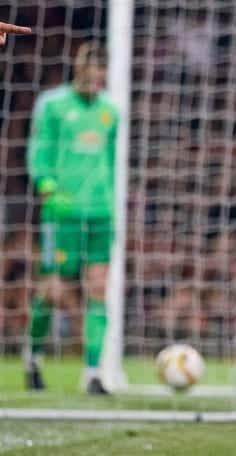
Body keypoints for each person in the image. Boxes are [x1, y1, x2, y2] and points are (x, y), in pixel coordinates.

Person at [24, 42, 119, 395]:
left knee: (97, 288)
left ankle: (93, 372)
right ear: (80, 71)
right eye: (92, 75)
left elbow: (109, 160)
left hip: (100, 213)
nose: (97, 83)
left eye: (102, 77)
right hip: (62, 213)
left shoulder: (111, 110)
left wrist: (110, 202)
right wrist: (46, 184)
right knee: (53, 291)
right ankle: (33, 357)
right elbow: (39, 146)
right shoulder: (53, 105)